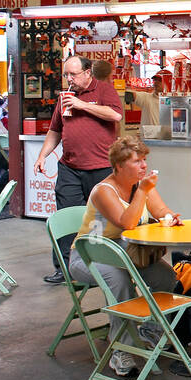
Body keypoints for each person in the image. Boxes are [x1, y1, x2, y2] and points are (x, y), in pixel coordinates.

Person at [68, 137, 183, 377]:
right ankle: (122, 348)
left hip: (125, 252)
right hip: (89, 256)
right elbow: (127, 222)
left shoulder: (141, 186)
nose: (143, 166)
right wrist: (143, 190)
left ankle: (149, 332)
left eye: (144, 160)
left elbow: (160, 210)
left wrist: (171, 216)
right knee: (119, 280)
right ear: (119, 166)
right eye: (137, 161)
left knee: (165, 277)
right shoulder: (103, 191)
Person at [35, 56, 124, 285]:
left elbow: (116, 115)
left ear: (87, 73)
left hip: (102, 167)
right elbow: (55, 130)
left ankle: (100, 264)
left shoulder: (104, 90)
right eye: (66, 75)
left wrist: (82, 105)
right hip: (70, 168)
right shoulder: (64, 98)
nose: (69, 79)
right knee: (66, 218)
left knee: (101, 220)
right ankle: (65, 268)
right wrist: (42, 156)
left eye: (73, 74)